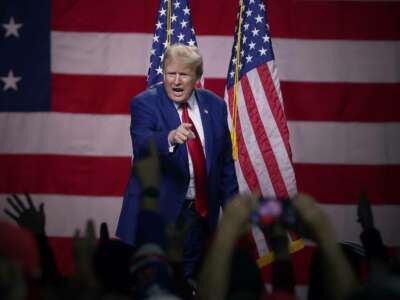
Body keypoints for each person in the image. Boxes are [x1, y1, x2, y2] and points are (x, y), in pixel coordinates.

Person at [116, 43, 238, 280]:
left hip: (199, 216)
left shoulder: (215, 106)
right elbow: (142, 146)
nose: (176, 81)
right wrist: (169, 137)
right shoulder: (144, 102)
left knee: (190, 284)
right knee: (153, 285)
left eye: (184, 74)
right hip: (157, 215)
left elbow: (224, 165)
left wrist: (234, 212)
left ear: (197, 77)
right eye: (171, 74)